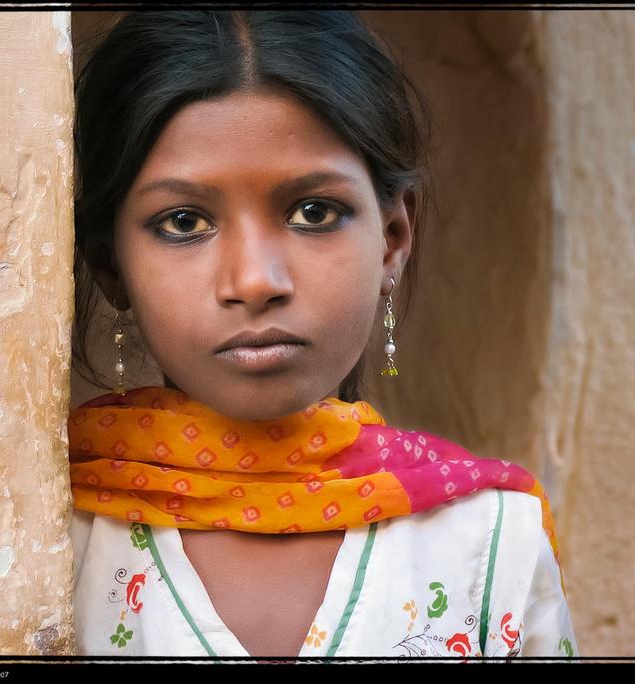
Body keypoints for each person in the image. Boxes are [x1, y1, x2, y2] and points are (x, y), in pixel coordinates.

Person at [68, 9, 579, 660]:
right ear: (111, 265)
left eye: (313, 212)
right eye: (184, 222)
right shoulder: (43, 540)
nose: (255, 280)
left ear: (393, 239)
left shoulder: (489, 540)